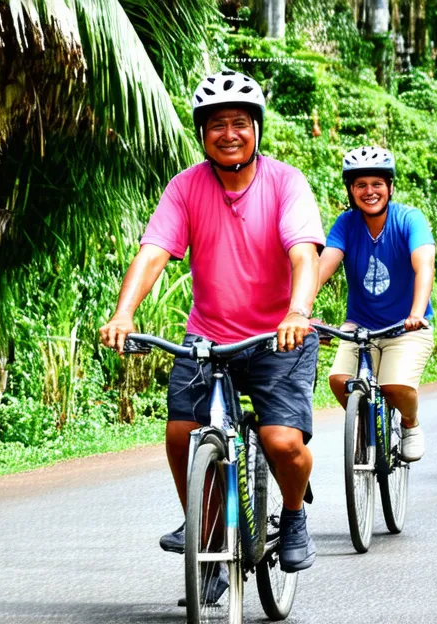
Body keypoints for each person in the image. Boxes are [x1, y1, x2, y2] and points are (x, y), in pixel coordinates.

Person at [98, 70, 325, 601]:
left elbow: (303, 253)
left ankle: (292, 517)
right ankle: (205, 532)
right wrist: (123, 314)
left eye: (239, 123)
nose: (229, 133)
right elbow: (154, 252)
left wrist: (297, 310)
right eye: (217, 124)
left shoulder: (286, 182)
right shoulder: (187, 186)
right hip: (208, 340)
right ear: (203, 133)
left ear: (256, 129)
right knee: (181, 435)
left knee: (281, 442)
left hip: (279, 339)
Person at [318, 146, 436, 462]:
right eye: (360, 185)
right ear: (351, 190)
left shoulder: (409, 219)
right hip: (360, 326)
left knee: (395, 386)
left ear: (389, 187)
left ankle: (410, 424)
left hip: (406, 326)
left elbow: (424, 265)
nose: (369, 192)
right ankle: (366, 425)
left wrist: (415, 313)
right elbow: (324, 265)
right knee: (340, 381)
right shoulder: (345, 224)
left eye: (377, 184)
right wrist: (297, 310)